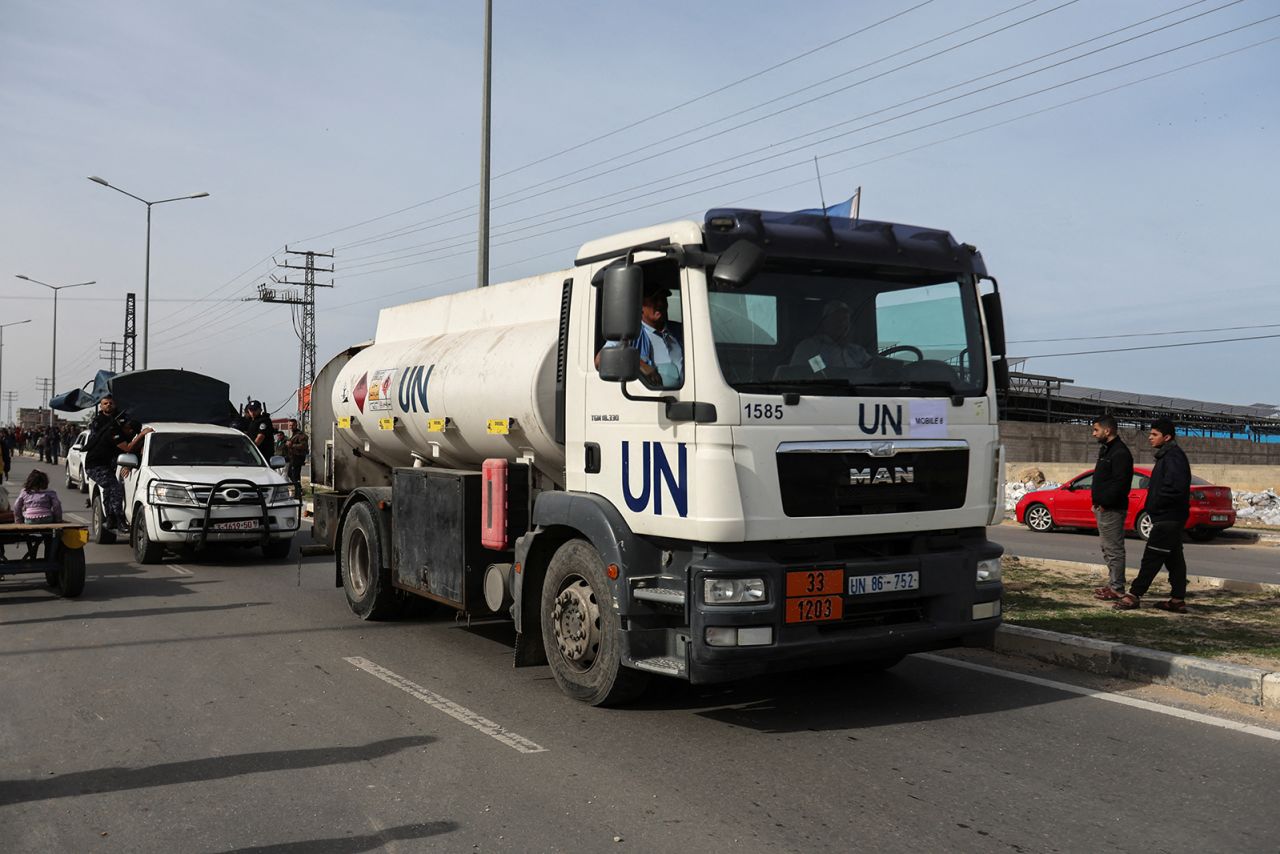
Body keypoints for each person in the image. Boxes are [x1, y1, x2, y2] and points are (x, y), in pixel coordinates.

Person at [1114, 419, 1192, 613]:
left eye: (1154, 434)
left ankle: (1133, 595)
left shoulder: (1173, 457)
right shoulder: (1166, 456)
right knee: (1174, 560)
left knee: (1152, 557)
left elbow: (1174, 488)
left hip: (1168, 517)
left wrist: (1156, 505)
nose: (1149, 438)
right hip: (1168, 516)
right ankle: (1177, 600)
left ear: (1167, 437)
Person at [596, 284, 685, 388]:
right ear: (640, 305)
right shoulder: (631, 333)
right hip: (654, 401)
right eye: (654, 299)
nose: (660, 303)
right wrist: (641, 365)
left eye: (663, 298)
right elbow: (601, 360)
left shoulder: (680, 330)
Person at [1089, 415, 1134, 601]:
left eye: (1096, 430)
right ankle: (1113, 583)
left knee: (1114, 549)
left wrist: (1106, 503)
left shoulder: (1120, 453)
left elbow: (1120, 484)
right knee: (1107, 549)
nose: (1093, 434)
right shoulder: (1106, 450)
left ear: (1107, 431)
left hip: (1112, 509)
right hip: (1103, 507)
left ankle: (1117, 588)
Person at [83, 394, 129, 530]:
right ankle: (119, 519)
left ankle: (110, 519)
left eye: (110, 403)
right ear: (101, 406)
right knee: (115, 488)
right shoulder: (98, 422)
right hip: (96, 463)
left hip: (111, 462)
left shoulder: (121, 419)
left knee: (108, 491)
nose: (108, 405)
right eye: (105, 403)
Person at [788, 300, 871, 373]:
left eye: (845, 319)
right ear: (824, 322)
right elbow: (818, 374)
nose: (842, 324)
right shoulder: (810, 348)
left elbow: (872, 369)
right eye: (836, 319)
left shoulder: (856, 351)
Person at [285, 419, 309, 484]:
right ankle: (298, 489)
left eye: (293, 425)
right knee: (290, 474)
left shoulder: (300, 434)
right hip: (292, 457)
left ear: (296, 425)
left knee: (295, 475)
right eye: (290, 425)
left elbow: (303, 446)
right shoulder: (292, 434)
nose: (291, 427)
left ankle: (298, 490)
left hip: (297, 457)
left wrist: (292, 445)